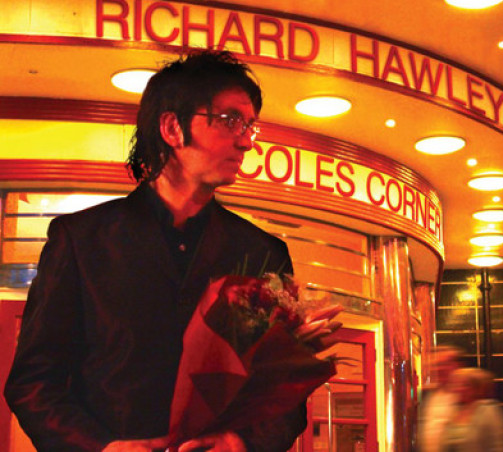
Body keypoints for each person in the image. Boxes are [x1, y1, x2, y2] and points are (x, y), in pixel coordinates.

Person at [4, 50, 341, 452]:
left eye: (251, 125)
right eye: (230, 120)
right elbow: (34, 383)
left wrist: (240, 443)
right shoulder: (81, 239)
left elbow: (286, 399)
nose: (246, 141)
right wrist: (102, 448)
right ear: (171, 128)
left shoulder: (262, 251)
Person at [440, 367, 503, 452]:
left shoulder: (490, 411)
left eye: (464, 385)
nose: (457, 389)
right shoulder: (454, 411)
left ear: (475, 388)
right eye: (456, 385)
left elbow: (499, 446)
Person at [417, 345, 464, 452]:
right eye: (435, 365)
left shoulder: (466, 397)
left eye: (444, 364)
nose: (439, 369)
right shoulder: (425, 396)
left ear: (456, 365)